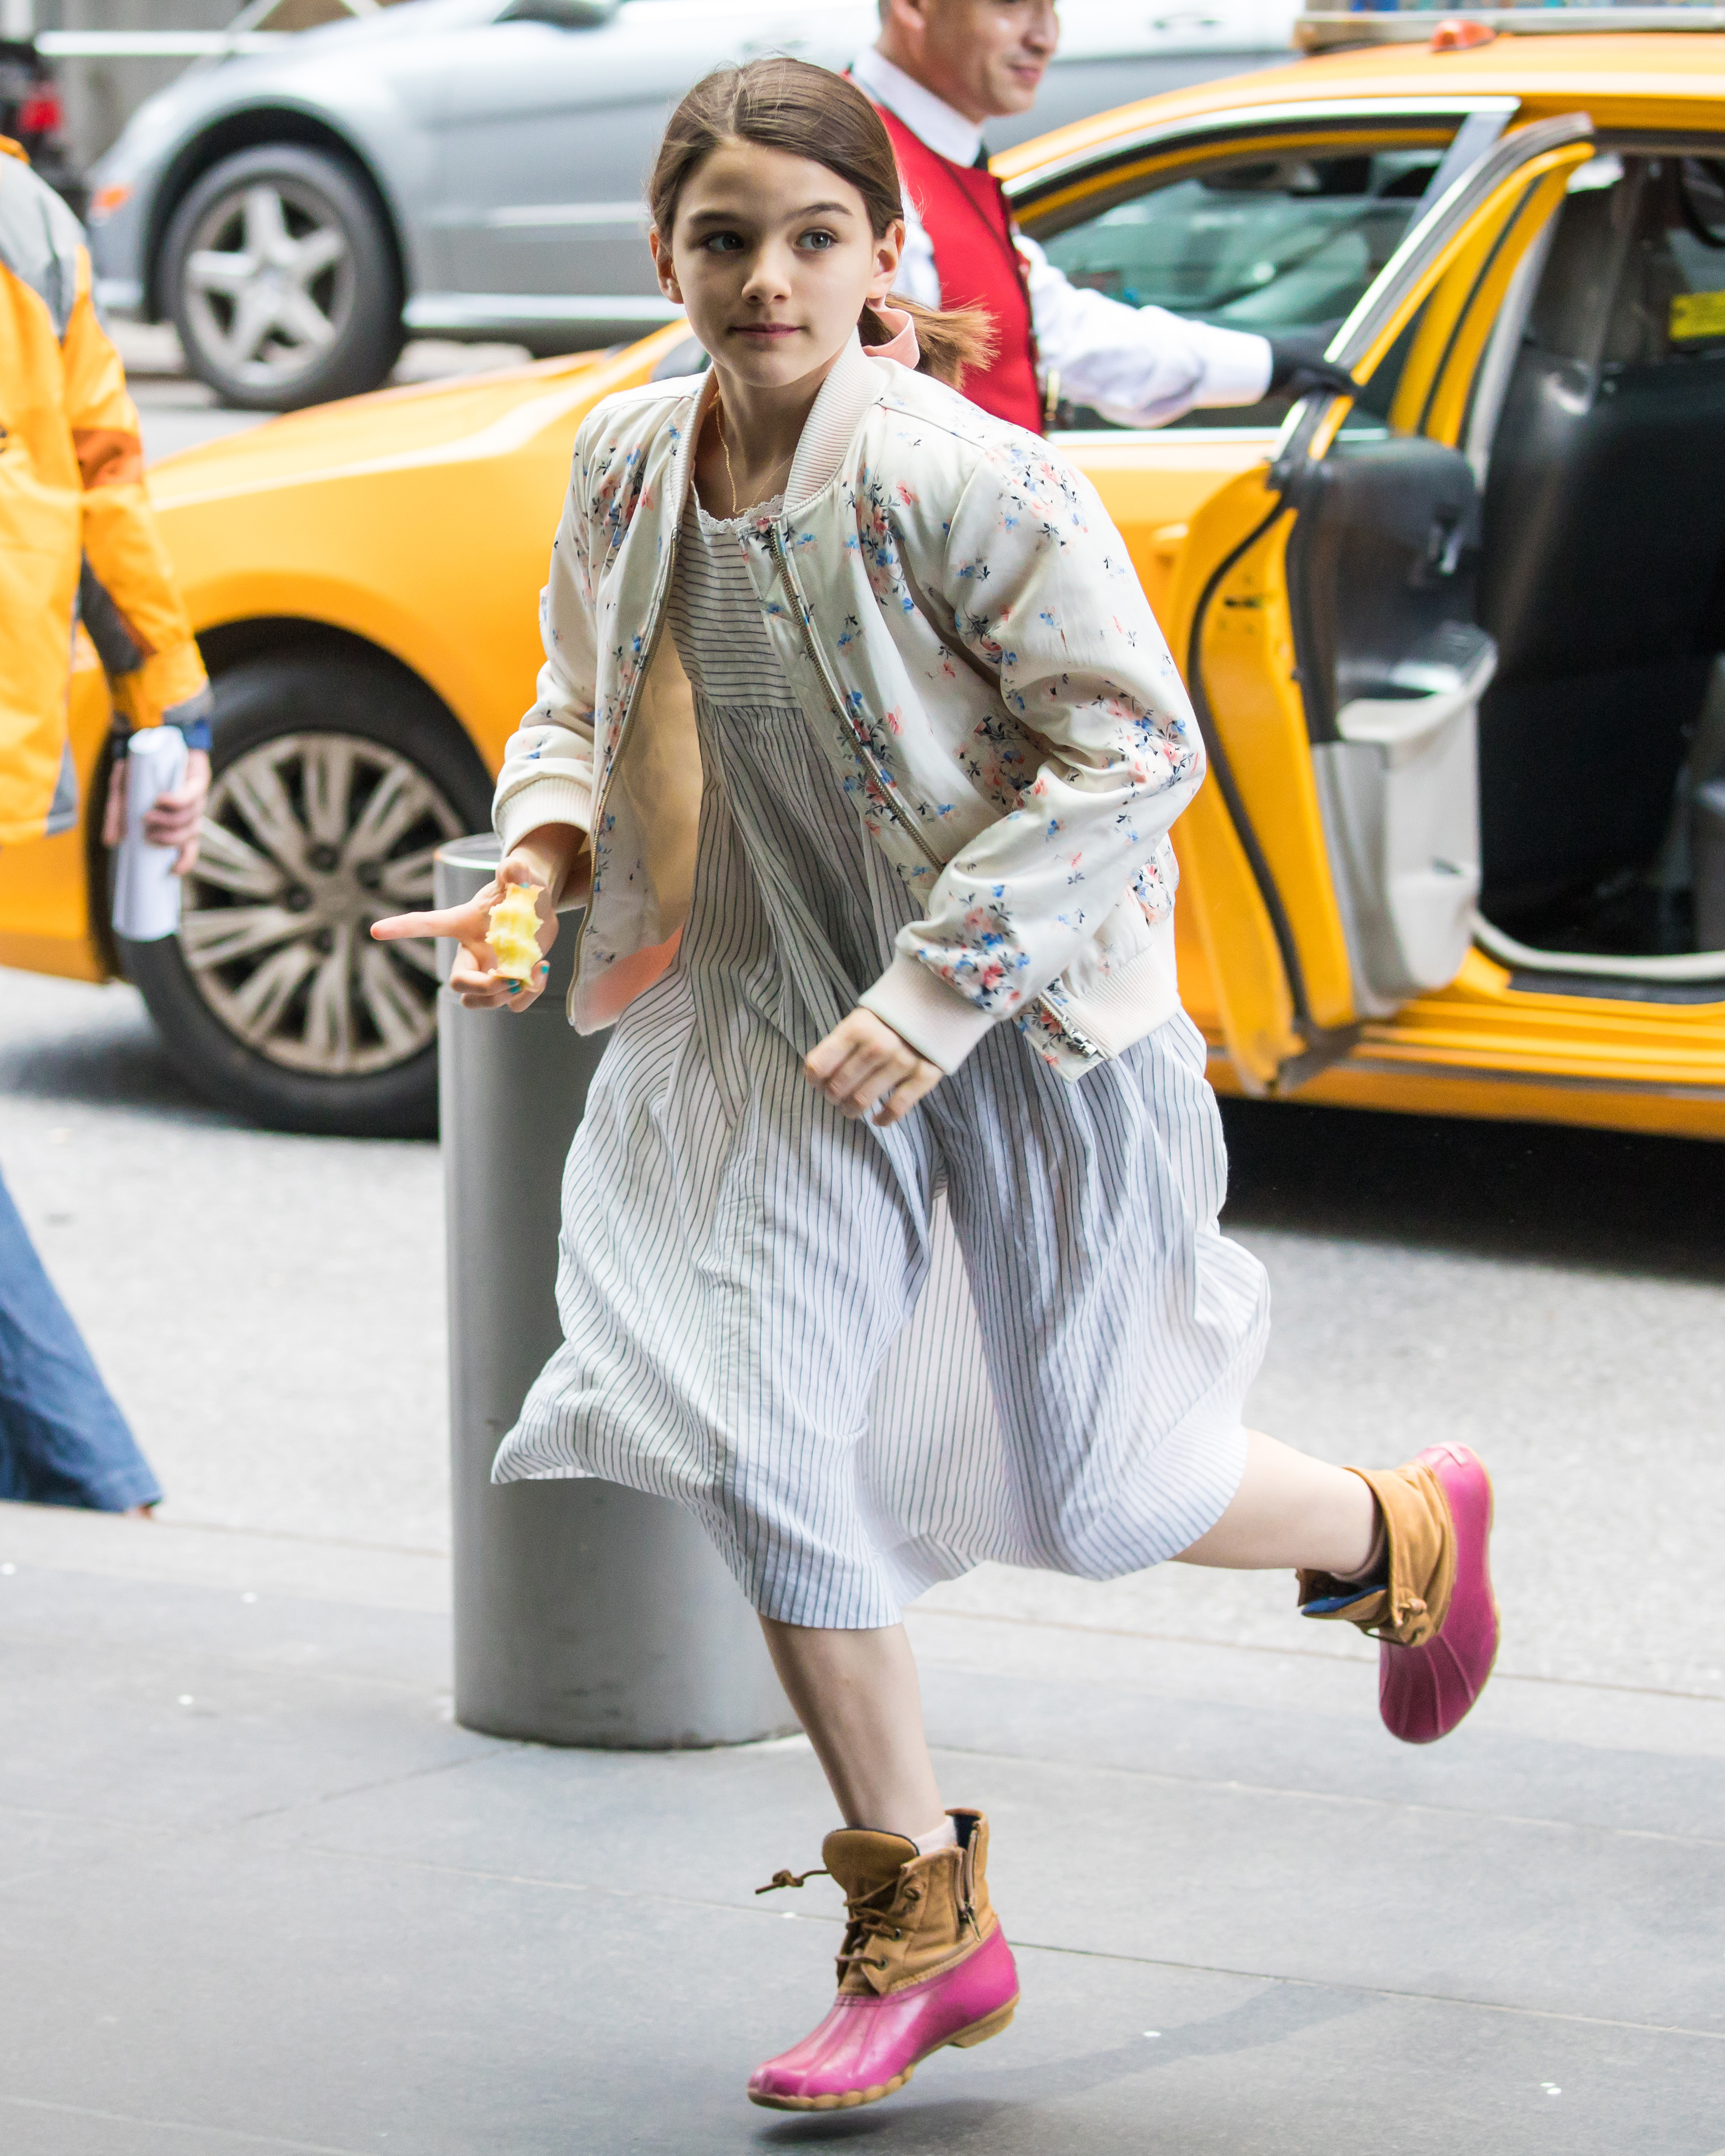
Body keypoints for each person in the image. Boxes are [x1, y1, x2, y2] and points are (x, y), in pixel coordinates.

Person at [375, 59, 1497, 2117]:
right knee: (743, 1417)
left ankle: (1393, 1529)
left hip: (1033, 1042)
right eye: (721, 240)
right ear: (664, 257)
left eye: (812, 238)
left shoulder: (963, 481)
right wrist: (536, 865)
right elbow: (571, 693)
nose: (765, 279)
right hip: (776, 1038)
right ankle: (919, 1918)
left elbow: (1131, 747)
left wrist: (945, 980)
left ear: (883, 258)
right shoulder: (629, 465)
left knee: (1110, 1492)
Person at [0, 132, 212, 1513]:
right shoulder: (24, 212)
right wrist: (167, 707)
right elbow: (104, 469)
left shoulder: (23, 214)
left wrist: (169, 715)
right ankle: (83, 1463)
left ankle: (80, 1460)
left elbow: (94, 468)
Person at [850, 0, 1358, 432]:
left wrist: (1274, 363)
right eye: (1010, 2)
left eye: (1051, 5)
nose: (1045, 36)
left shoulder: (926, 148)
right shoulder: (858, 161)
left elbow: (1060, 332)